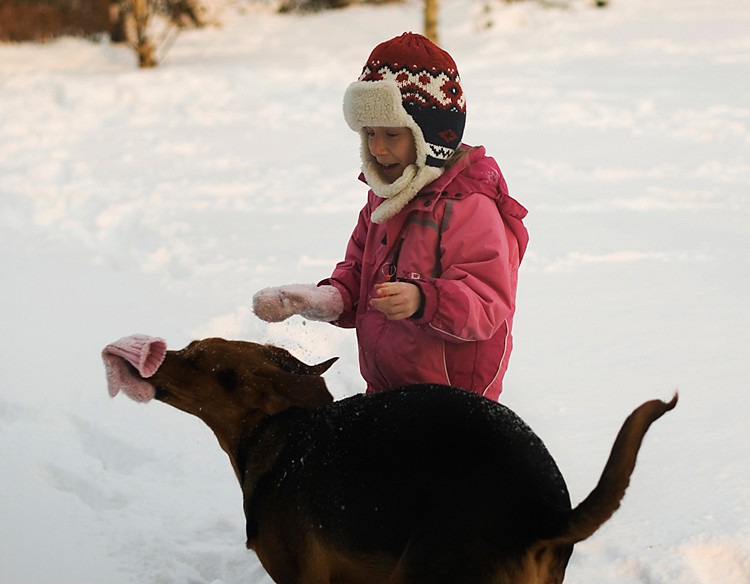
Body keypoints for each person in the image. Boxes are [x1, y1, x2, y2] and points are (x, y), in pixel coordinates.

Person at [253, 32, 528, 401]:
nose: (377, 148)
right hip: (386, 388)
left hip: (453, 401)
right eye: (368, 133)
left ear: (431, 138)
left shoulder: (468, 206)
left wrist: (422, 300)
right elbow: (358, 273)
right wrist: (326, 298)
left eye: (392, 134)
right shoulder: (382, 200)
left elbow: (486, 304)